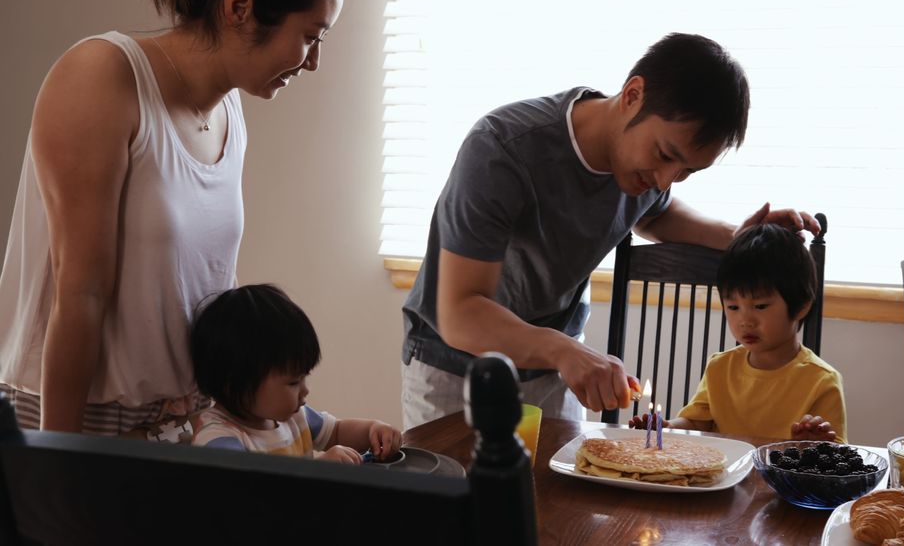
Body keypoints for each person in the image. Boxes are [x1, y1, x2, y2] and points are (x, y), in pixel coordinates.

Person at [400, 32, 822, 430]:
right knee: (457, 506)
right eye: (665, 155)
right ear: (633, 95)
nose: (663, 180)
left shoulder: (642, 171)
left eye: (687, 172)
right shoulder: (503, 148)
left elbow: (655, 213)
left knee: (551, 508)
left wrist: (737, 236)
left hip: (549, 369)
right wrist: (565, 350)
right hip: (454, 367)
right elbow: (461, 313)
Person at [0, 0, 347, 438]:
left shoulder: (229, 113)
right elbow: (79, 293)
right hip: (82, 414)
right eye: (311, 36)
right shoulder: (102, 74)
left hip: (189, 418)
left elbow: (203, 284)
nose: (315, 61)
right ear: (239, 6)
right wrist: (59, 465)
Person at [629, 223, 847, 442]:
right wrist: (668, 428)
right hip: (721, 475)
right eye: (733, 307)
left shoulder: (822, 381)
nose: (745, 321)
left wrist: (813, 446)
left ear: (801, 306)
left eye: (760, 306)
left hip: (780, 477)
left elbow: (838, 458)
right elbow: (697, 422)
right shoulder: (719, 368)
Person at [191, 284, 402, 461]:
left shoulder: (294, 417)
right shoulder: (217, 439)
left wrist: (372, 430)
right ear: (235, 382)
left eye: (304, 377)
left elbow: (336, 431)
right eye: (293, 382)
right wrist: (318, 471)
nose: (305, 390)